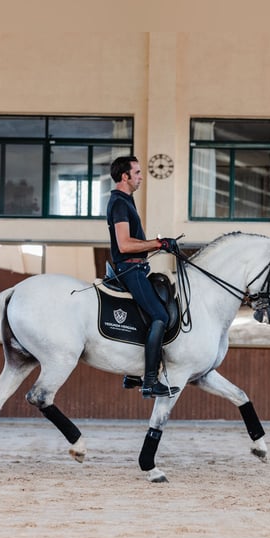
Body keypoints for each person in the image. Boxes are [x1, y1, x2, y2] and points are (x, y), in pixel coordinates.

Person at [106, 156, 179, 398]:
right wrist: (158, 243)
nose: (140, 177)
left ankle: (132, 373)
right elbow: (125, 245)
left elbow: (135, 241)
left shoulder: (127, 201)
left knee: (148, 312)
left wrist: (159, 245)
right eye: (136, 172)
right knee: (160, 315)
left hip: (138, 268)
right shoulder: (119, 203)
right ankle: (149, 381)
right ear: (124, 177)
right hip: (130, 269)